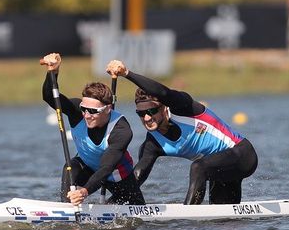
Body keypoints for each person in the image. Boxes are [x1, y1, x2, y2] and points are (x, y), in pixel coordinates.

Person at [106, 60, 258, 205]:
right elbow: (136, 178)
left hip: (243, 155)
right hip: (217, 170)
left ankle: (189, 215)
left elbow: (163, 92)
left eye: (152, 111)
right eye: (141, 113)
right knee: (223, 222)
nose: (146, 117)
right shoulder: (152, 145)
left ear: (165, 108)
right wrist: (110, 205)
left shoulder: (183, 107)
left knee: (198, 167)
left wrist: (127, 73)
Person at [41, 53, 145, 206]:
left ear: (108, 109)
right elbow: (50, 97)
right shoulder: (77, 112)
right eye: (84, 109)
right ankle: (67, 207)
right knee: (71, 166)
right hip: (87, 165)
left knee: (132, 211)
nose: (87, 115)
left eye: (93, 111)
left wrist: (84, 192)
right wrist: (53, 72)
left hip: (116, 175)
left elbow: (106, 168)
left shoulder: (121, 130)